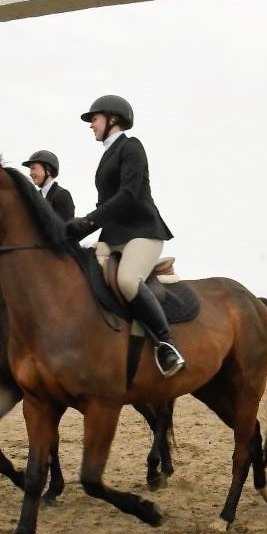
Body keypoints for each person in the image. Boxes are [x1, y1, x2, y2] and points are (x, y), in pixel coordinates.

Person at [64, 95, 184, 377]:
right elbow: (104, 205)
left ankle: (166, 345)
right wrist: (76, 227)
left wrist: (88, 223)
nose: (91, 125)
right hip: (114, 234)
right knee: (80, 270)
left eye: (94, 119)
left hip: (143, 232)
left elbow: (128, 196)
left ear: (112, 119)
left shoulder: (131, 147)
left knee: (127, 280)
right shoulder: (106, 156)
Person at [21, 150, 74, 221]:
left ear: (48, 170)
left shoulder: (62, 195)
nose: (30, 173)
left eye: (33, 168)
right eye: (30, 169)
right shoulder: (33, 198)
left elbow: (64, 229)